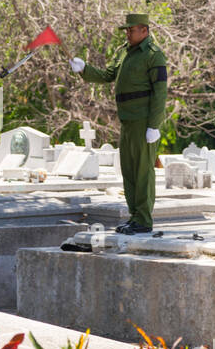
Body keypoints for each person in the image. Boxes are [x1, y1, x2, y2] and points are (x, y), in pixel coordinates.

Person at [69, 12, 168, 234]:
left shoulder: (154, 55)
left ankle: (144, 219)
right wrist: (84, 69)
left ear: (145, 30)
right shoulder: (125, 52)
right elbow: (107, 75)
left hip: (144, 122)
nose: (128, 34)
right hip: (127, 120)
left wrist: (154, 125)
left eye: (132, 30)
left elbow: (160, 94)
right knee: (129, 171)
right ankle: (135, 216)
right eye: (127, 30)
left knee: (143, 171)